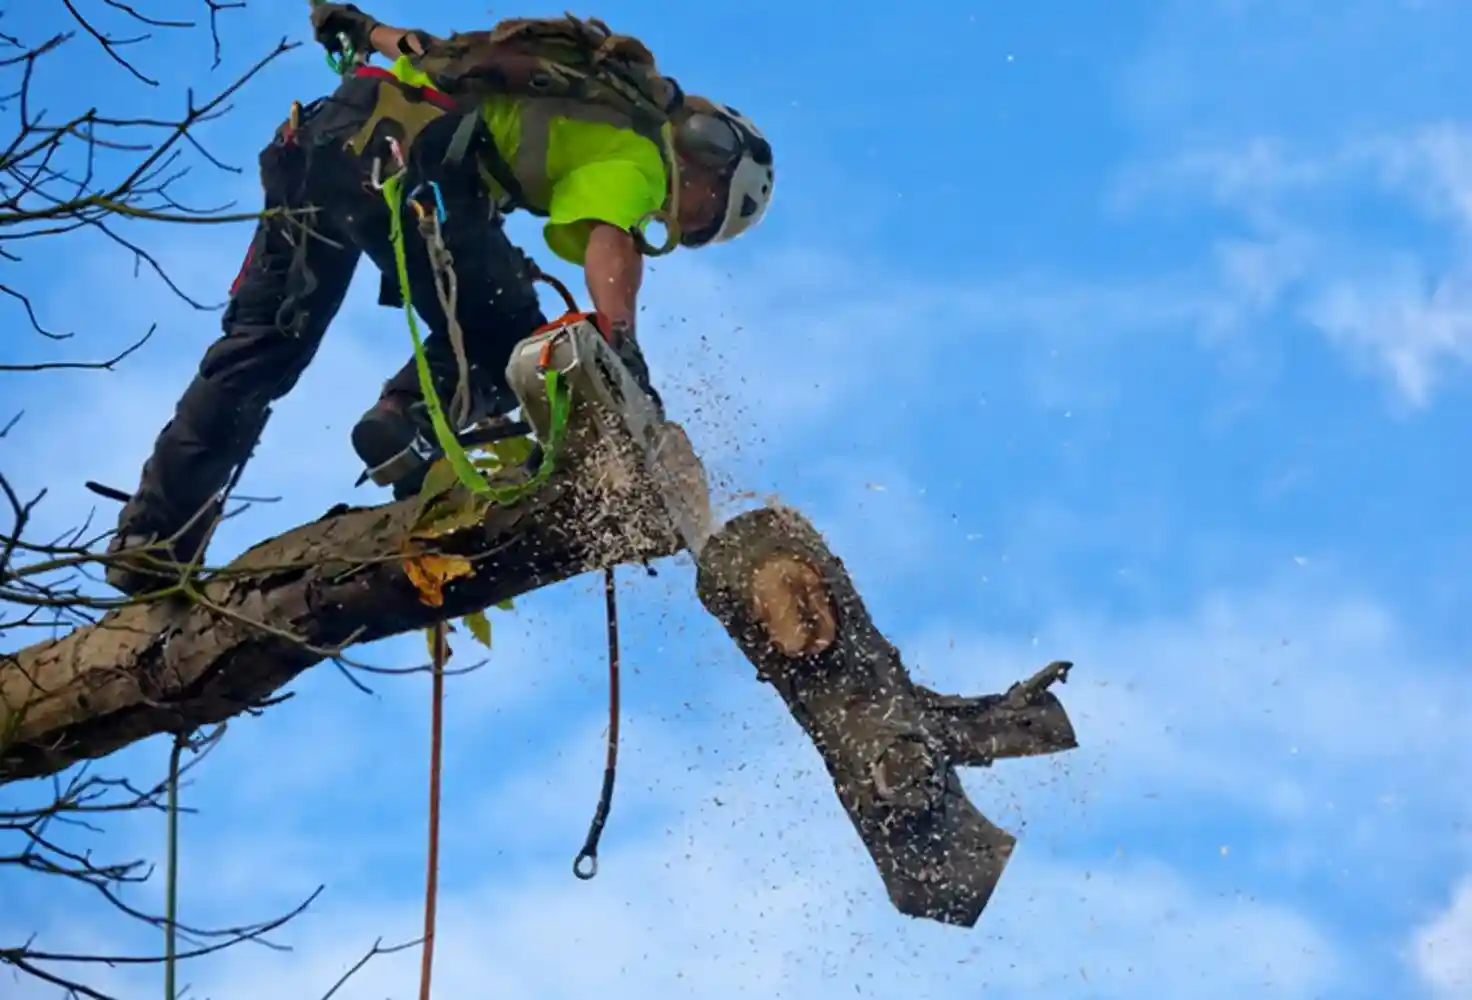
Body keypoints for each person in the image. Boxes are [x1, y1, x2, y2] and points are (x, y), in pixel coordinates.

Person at [102, 6, 774, 596]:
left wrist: (362, 28)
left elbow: (420, 49)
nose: (686, 219)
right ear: (709, 165)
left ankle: (154, 539)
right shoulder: (641, 151)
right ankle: (407, 419)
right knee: (515, 340)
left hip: (321, 144)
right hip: (413, 164)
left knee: (258, 351)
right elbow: (611, 239)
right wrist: (620, 346)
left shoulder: (558, 79)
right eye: (707, 213)